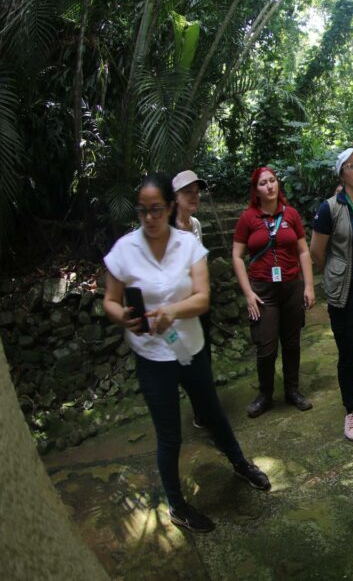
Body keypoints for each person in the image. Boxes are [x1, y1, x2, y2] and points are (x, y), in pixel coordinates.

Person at [103, 173, 270, 534]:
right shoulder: (124, 250)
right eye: (143, 211)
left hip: (190, 349)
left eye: (157, 210)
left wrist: (172, 312)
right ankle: (177, 505)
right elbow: (110, 301)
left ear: (169, 206)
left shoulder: (188, 244)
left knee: (212, 413)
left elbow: (202, 297)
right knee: (169, 435)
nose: (149, 218)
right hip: (151, 358)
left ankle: (241, 463)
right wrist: (124, 318)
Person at [232, 166, 316, 418]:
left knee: (292, 343)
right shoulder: (248, 218)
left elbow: (303, 251)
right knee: (266, 346)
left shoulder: (290, 214)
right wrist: (248, 293)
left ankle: (292, 390)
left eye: (272, 181)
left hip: (291, 287)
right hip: (262, 291)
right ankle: (265, 395)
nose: (269, 186)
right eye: (262, 183)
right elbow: (237, 256)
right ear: (255, 190)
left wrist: (309, 285)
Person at [310, 144, 353, 441]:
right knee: (350, 355)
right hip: (347, 294)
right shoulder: (331, 208)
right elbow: (317, 252)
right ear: (342, 174)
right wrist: (337, 273)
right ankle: (352, 411)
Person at [173, 169, 211, 430]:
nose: (194, 197)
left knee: (204, 355)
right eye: (188, 192)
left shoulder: (195, 225)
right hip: (178, 308)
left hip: (199, 303)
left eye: (196, 192)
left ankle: (204, 409)